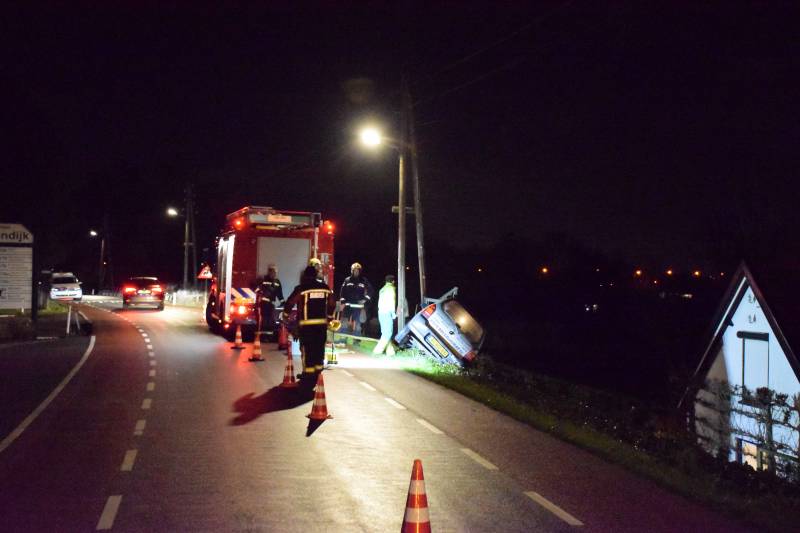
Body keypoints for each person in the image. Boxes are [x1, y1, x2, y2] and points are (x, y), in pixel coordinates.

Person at [283, 266, 336, 381]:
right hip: (321, 326)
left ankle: (307, 375)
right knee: (319, 349)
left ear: (305, 276)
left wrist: (285, 315)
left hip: (306, 327)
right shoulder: (325, 288)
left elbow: (290, 302)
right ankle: (318, 373)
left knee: (307, 350)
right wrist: (329, 318)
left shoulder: (301, 288)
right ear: (316, 275)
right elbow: (332, 303)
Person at [339, 262, 374, 336]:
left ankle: (356, 341)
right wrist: (343, 302)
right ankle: (342, 340)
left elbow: (371, 290)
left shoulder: (364, 280)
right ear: (352, 271)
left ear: (360, 271)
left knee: (358, 325)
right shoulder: (347, 280)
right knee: (344, 323)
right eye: (355, 270)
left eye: (358, 270)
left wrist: (365, 299)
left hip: (358, 306)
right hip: (347, 306)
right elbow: (342, 292)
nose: (356, 272)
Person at [255, 264, 284, 337]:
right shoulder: (263, 280)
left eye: (275, 272)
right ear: (269, 272)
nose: (274, 274)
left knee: (271, 320)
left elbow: (279, 294)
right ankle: (263, 335)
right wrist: (260, 292)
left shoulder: (277, 282)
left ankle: (269, 335)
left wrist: (283, 303)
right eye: (272, 272)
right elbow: (256, 289)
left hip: (271, 304)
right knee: (264, 319)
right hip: (264, 303)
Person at [373, 275, 396, 355]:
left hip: (381, 312)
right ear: (393, 281)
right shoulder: (391, 289)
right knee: (388, 332)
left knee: (385, 332)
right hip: (387, 312)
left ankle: (390, 352)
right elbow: (391, 302)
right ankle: (377, 351)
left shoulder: (382, 289)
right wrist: (393, 314)